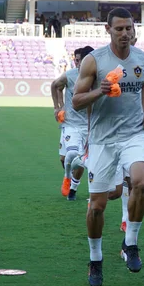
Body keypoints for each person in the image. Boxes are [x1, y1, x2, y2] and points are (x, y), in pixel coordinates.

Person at [72, 7, 144, 286]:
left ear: (134, 30)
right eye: (119, 29)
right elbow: (76, 101)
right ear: (107, 30)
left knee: (141, 183)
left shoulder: (143, 61)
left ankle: (130, 241)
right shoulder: (93, 61)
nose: (125, 33)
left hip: (135, 135)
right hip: (102, 140)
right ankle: (95, 260)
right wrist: (101, 91)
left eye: (128, 28)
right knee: (97, 207)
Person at [51, 46, 93, 201]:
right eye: (77, 60)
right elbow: (55, 85)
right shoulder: (70, 75)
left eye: (79, 60)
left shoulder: (97, 78)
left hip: (89, 126)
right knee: (66, 158)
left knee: (76, 156)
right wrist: (58, 106)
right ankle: (68, 176)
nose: (78, 63)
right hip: (70, 124)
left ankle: (73, 188)